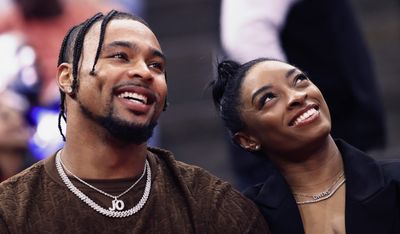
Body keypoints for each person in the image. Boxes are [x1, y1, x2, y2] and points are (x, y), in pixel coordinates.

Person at [0, 11, 269, 233]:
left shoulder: (213, 205)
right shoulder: (11, 211)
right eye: (119, 56)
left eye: (156, 66)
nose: (144, 72)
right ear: (67, 77)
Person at [210, 58, 400, 233]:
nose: (297, 96)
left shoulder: (395, 181)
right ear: (247, 140)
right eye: (268, 98)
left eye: (299, 80)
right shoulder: (249, 217)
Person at [220, 0, 386, 190]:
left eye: (299, 80)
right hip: (290, 154)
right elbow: (247, 37)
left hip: (327, 135)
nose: (296, 96)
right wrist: (286, 95)